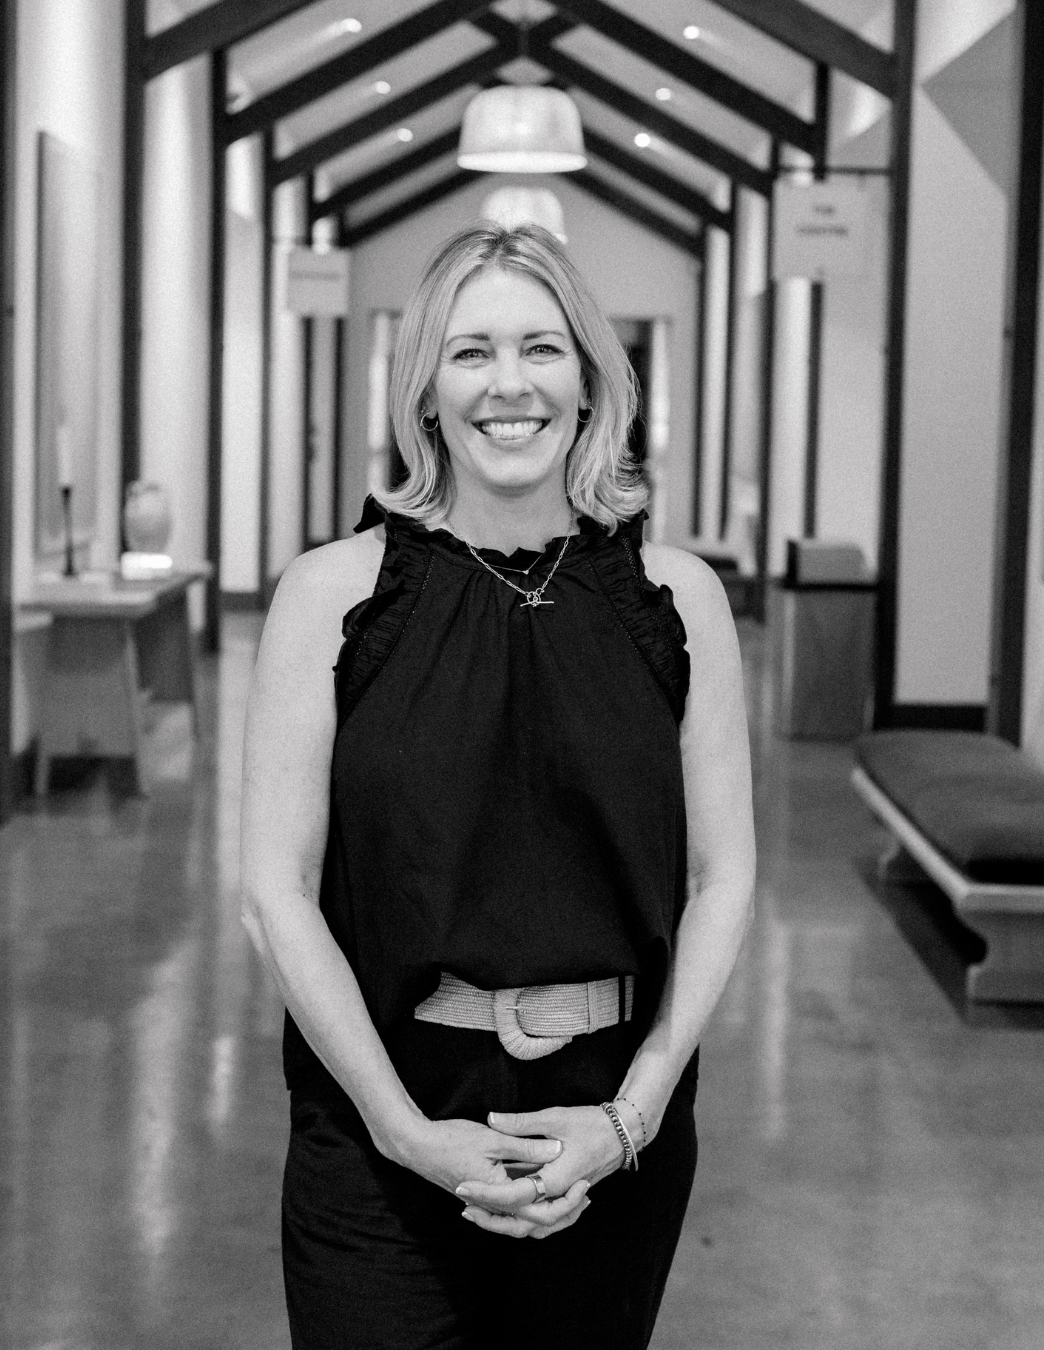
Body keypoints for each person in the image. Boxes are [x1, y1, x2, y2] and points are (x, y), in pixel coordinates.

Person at [240, 222, 755, 1350]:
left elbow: (723, 878)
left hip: (612, 1120)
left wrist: (633, 1118)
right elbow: (277, 891)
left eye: (541, 349)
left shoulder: (677, 599)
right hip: (381, 1123)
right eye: (469, 353)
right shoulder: (334, 594)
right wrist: (404, 1129)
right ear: (425, 387)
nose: (507, 384)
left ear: (589, 379)